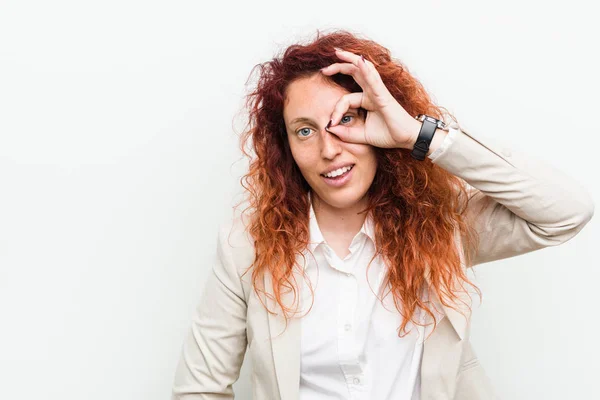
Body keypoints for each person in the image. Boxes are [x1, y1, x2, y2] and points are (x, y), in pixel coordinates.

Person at [170, 30, 594, 400]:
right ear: (286, 150)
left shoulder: (441, 224)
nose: (329, 148)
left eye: (346, 119)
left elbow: (566, 211)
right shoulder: (246, 246)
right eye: (305, 130)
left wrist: (416, 134)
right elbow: (200, 389)